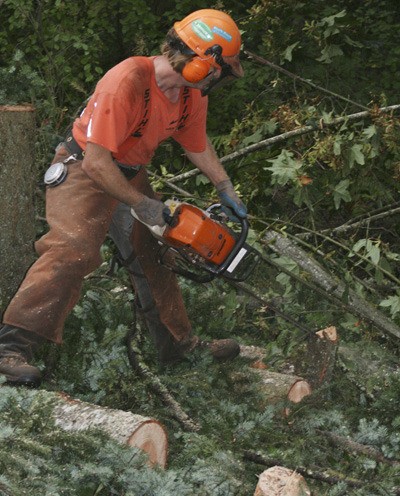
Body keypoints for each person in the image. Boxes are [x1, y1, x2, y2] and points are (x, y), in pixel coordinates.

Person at [0, 9, 247, 387]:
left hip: (129, 173)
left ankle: (178, 347)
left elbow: (195, 143)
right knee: (72, 250)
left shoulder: (189, 93)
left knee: (157, 254)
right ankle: (11, 347)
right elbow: (98, 164)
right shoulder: (127, 80)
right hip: (85, 168)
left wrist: (224, 186)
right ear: (203, 62)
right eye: (221, 69)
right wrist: (142, 204)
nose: (221, 77)